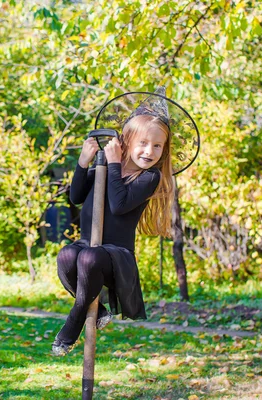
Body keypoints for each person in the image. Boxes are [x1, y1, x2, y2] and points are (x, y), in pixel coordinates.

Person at [52, 112, 175, 356]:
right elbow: (76, 197)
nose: (149, 151)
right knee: (66, 255)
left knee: (89, 258)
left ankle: (72, 324)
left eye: (157, 145)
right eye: (143, 143)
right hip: (88, 243)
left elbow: (119, 204)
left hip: (116, 255)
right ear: (126, 142)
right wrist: (83, 163)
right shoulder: (104, 166)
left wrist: (115, 164)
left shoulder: (150, 177)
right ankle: (98, 311)